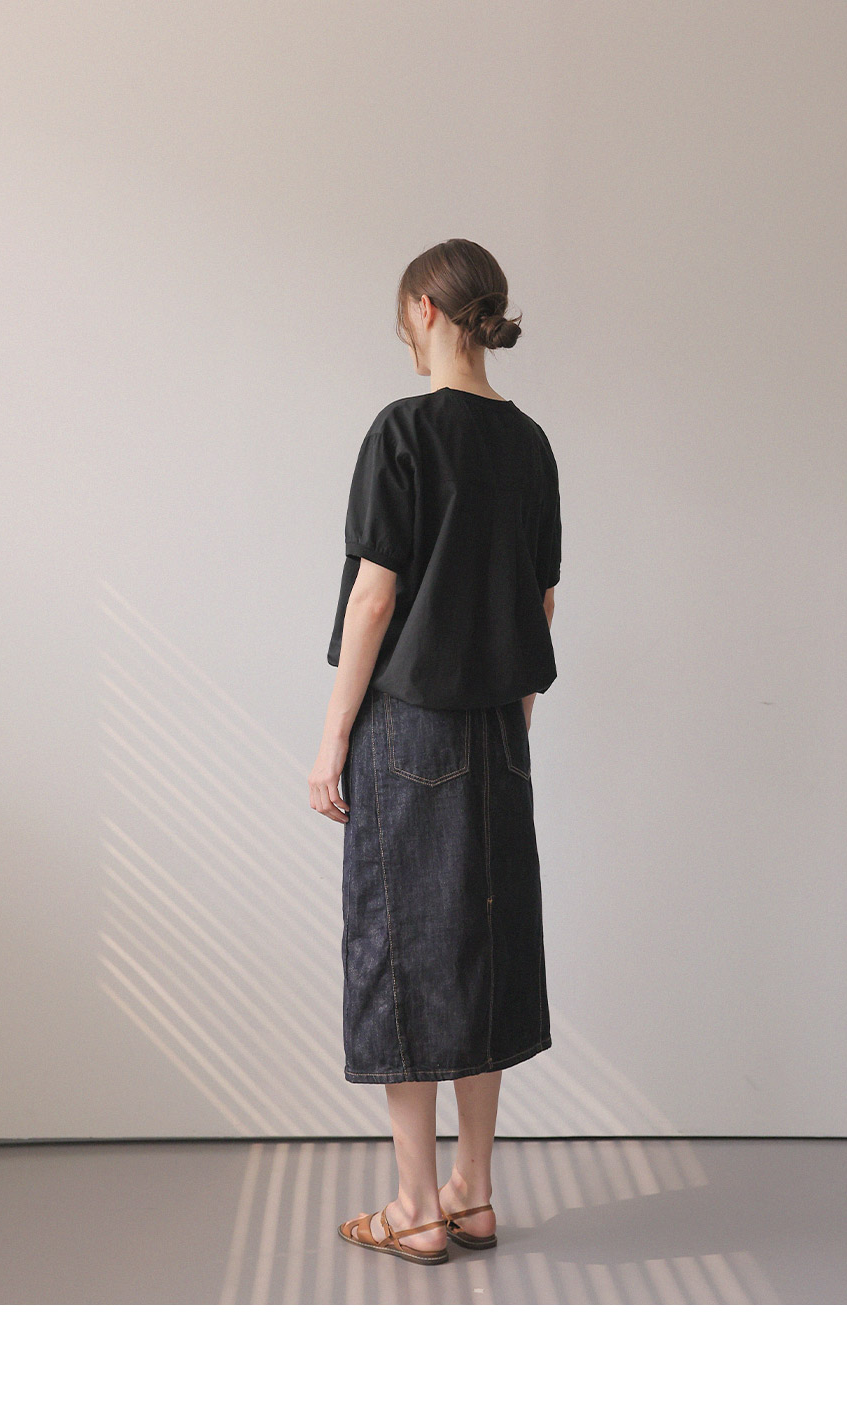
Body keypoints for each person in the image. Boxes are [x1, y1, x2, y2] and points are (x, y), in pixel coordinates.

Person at [309, 237, 561, 1266]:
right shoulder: (531, 443)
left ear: (424, 309)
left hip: (408, 729)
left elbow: (374, 598)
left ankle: (415, 1205)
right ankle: (475, 1192)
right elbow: (543, 601)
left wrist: (333, 737)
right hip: (498, 730)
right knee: (482, 950)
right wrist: (511, 723)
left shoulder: (404, 430)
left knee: (404, 954)